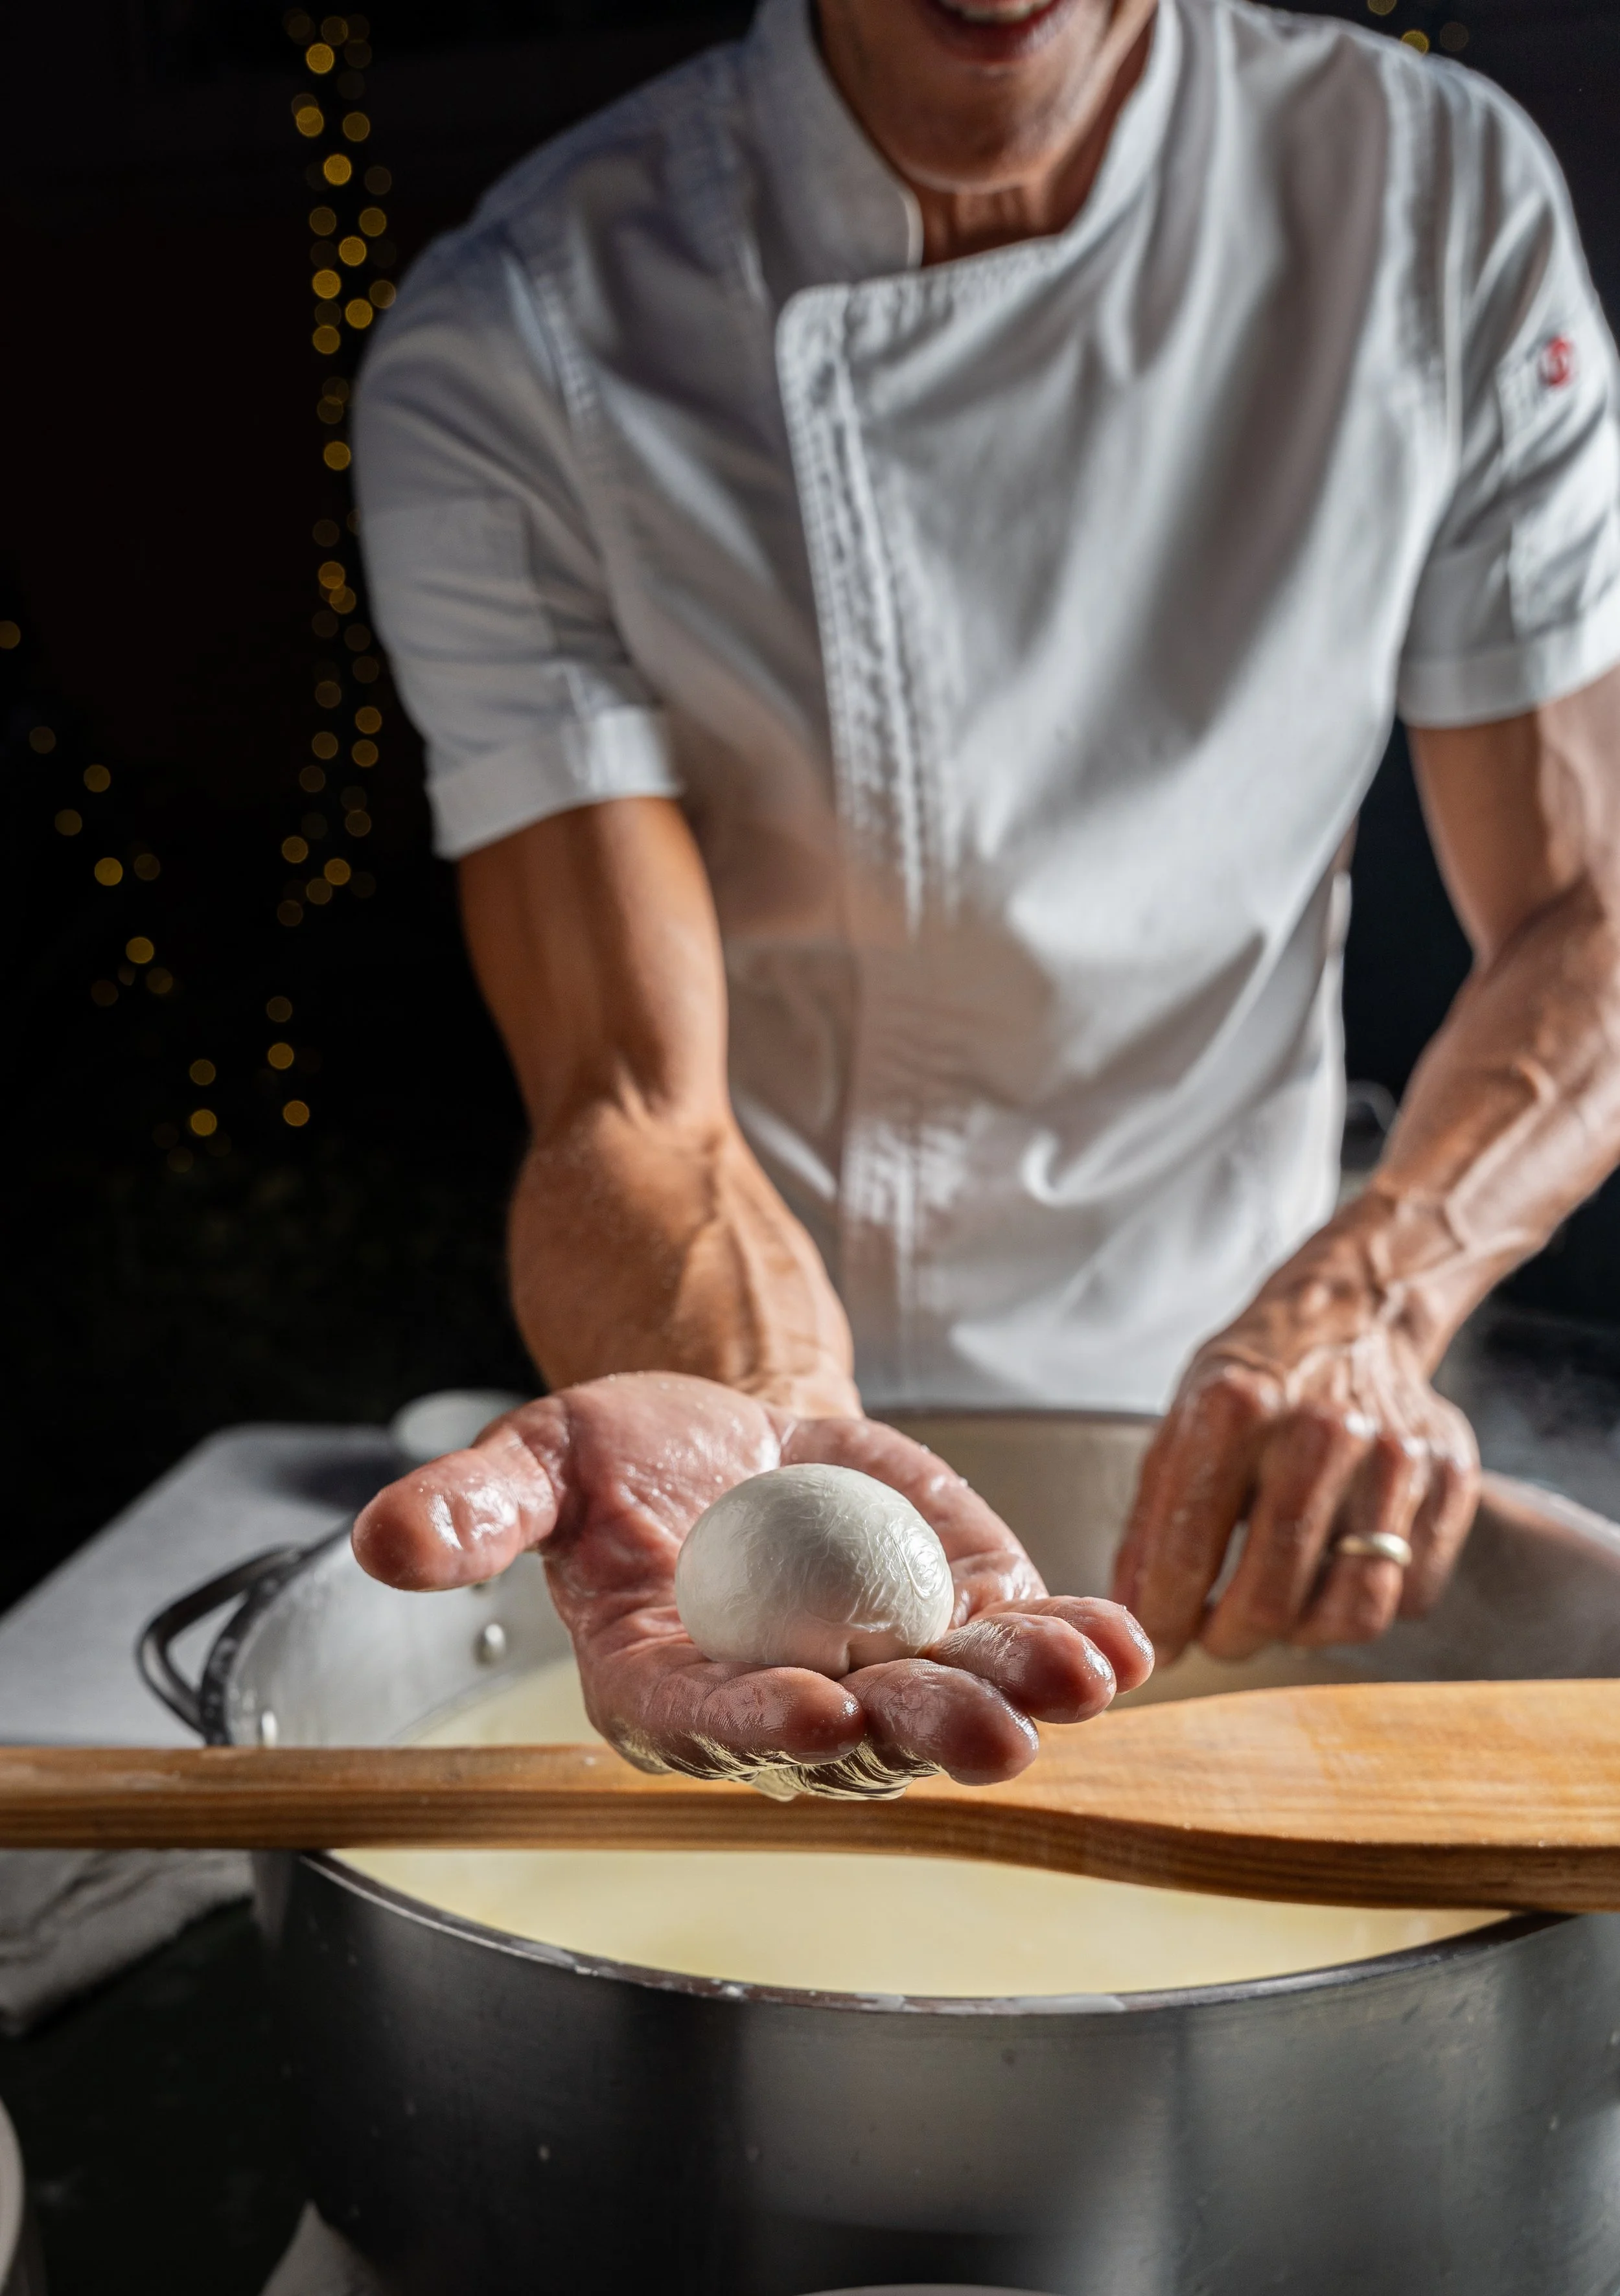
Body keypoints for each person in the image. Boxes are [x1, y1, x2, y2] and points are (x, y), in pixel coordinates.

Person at [349, 0, 1620, 1798]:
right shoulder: (521, 340)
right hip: (719, 1379)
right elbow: (629, 1098)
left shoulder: (1430, 198)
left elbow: (1586, 917)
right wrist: (783, 1438)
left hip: (1251, 1446)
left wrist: (1369, 1301)